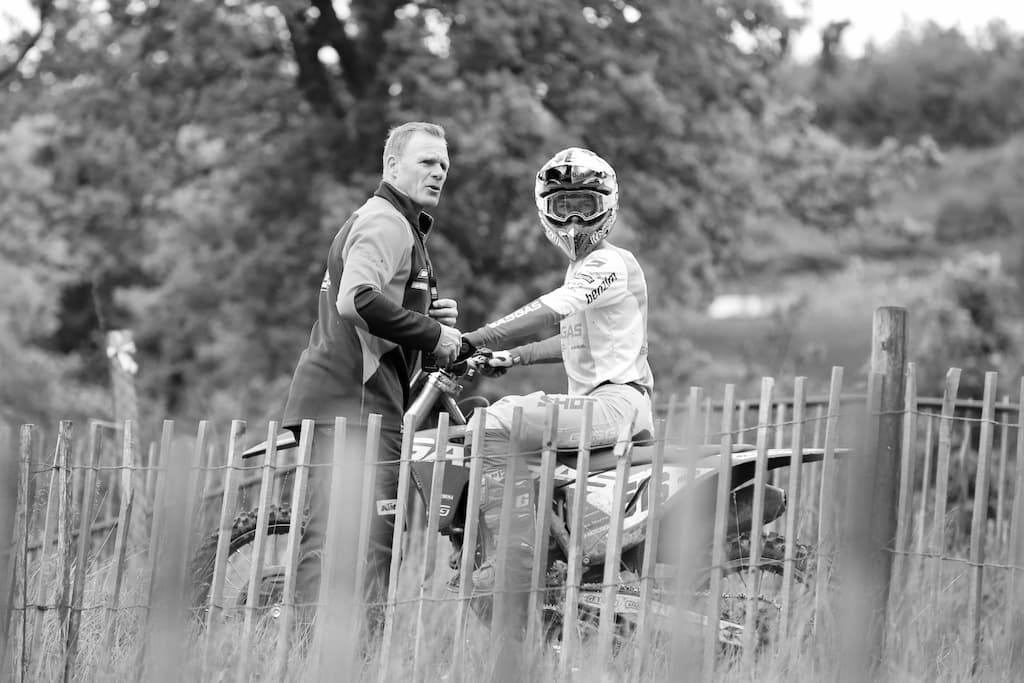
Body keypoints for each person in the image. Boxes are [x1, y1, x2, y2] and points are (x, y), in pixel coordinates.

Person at [281, 121, 462, 632]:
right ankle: (340, 658)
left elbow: (377, 301)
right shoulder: (386, 221)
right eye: (426, 161)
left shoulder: (396, 224)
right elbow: (356, 299)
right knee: (365, 544)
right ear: (391, 166)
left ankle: (313, 655)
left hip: (346, 401)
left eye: (444, 165)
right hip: (353, 407)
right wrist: (433, 336)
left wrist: (428, 313)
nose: (439, 172)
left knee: (346, 538)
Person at [458, 147, 655, 605]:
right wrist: (512, 358)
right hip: (608, 401)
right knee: (514, 427)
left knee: (495, 423)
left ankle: (514, 565)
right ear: (546, 209)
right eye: (562, 208)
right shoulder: (583, 270)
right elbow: (574, 340)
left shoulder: (609, 263)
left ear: (605, 205)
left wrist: (474, 339)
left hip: (615, 402)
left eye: (583, 207)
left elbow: (551, 311)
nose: (573, 223)